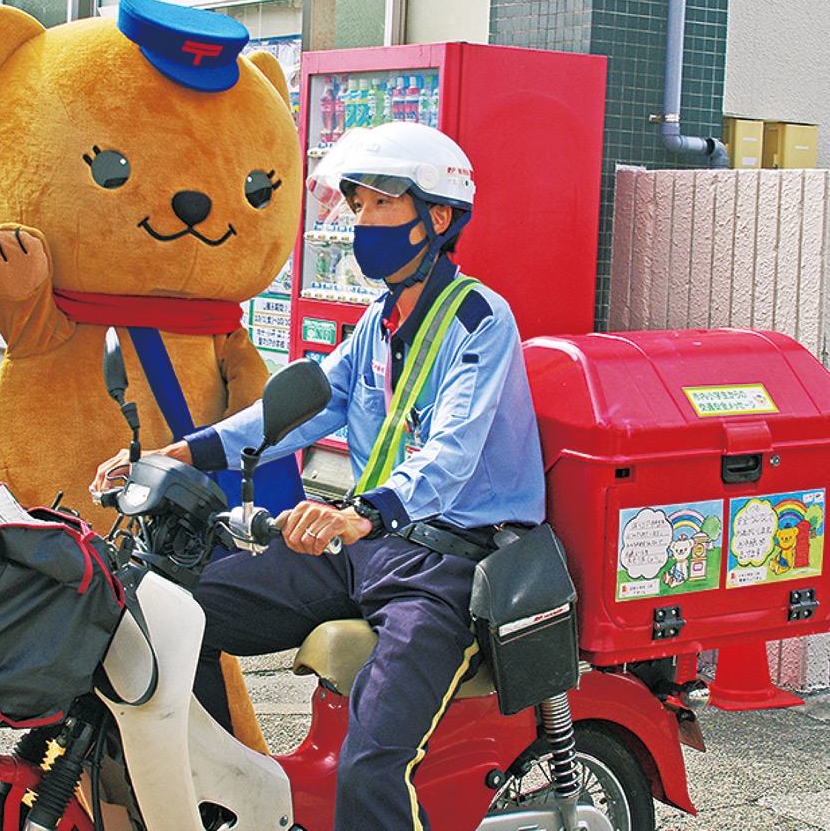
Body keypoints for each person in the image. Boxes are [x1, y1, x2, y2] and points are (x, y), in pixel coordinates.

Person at [94, 122, 547, 831]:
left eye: (381, 205)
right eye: (357, 206)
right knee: (176, 620)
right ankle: (223, 798)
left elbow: (451, 453)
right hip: (367, 546)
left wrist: (358, 513)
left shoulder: (480, 321)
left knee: (373, 760)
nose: (363, 222)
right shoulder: (378, 322)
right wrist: (179, 453)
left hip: (448, 565)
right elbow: (293, 411)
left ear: (437, 217)